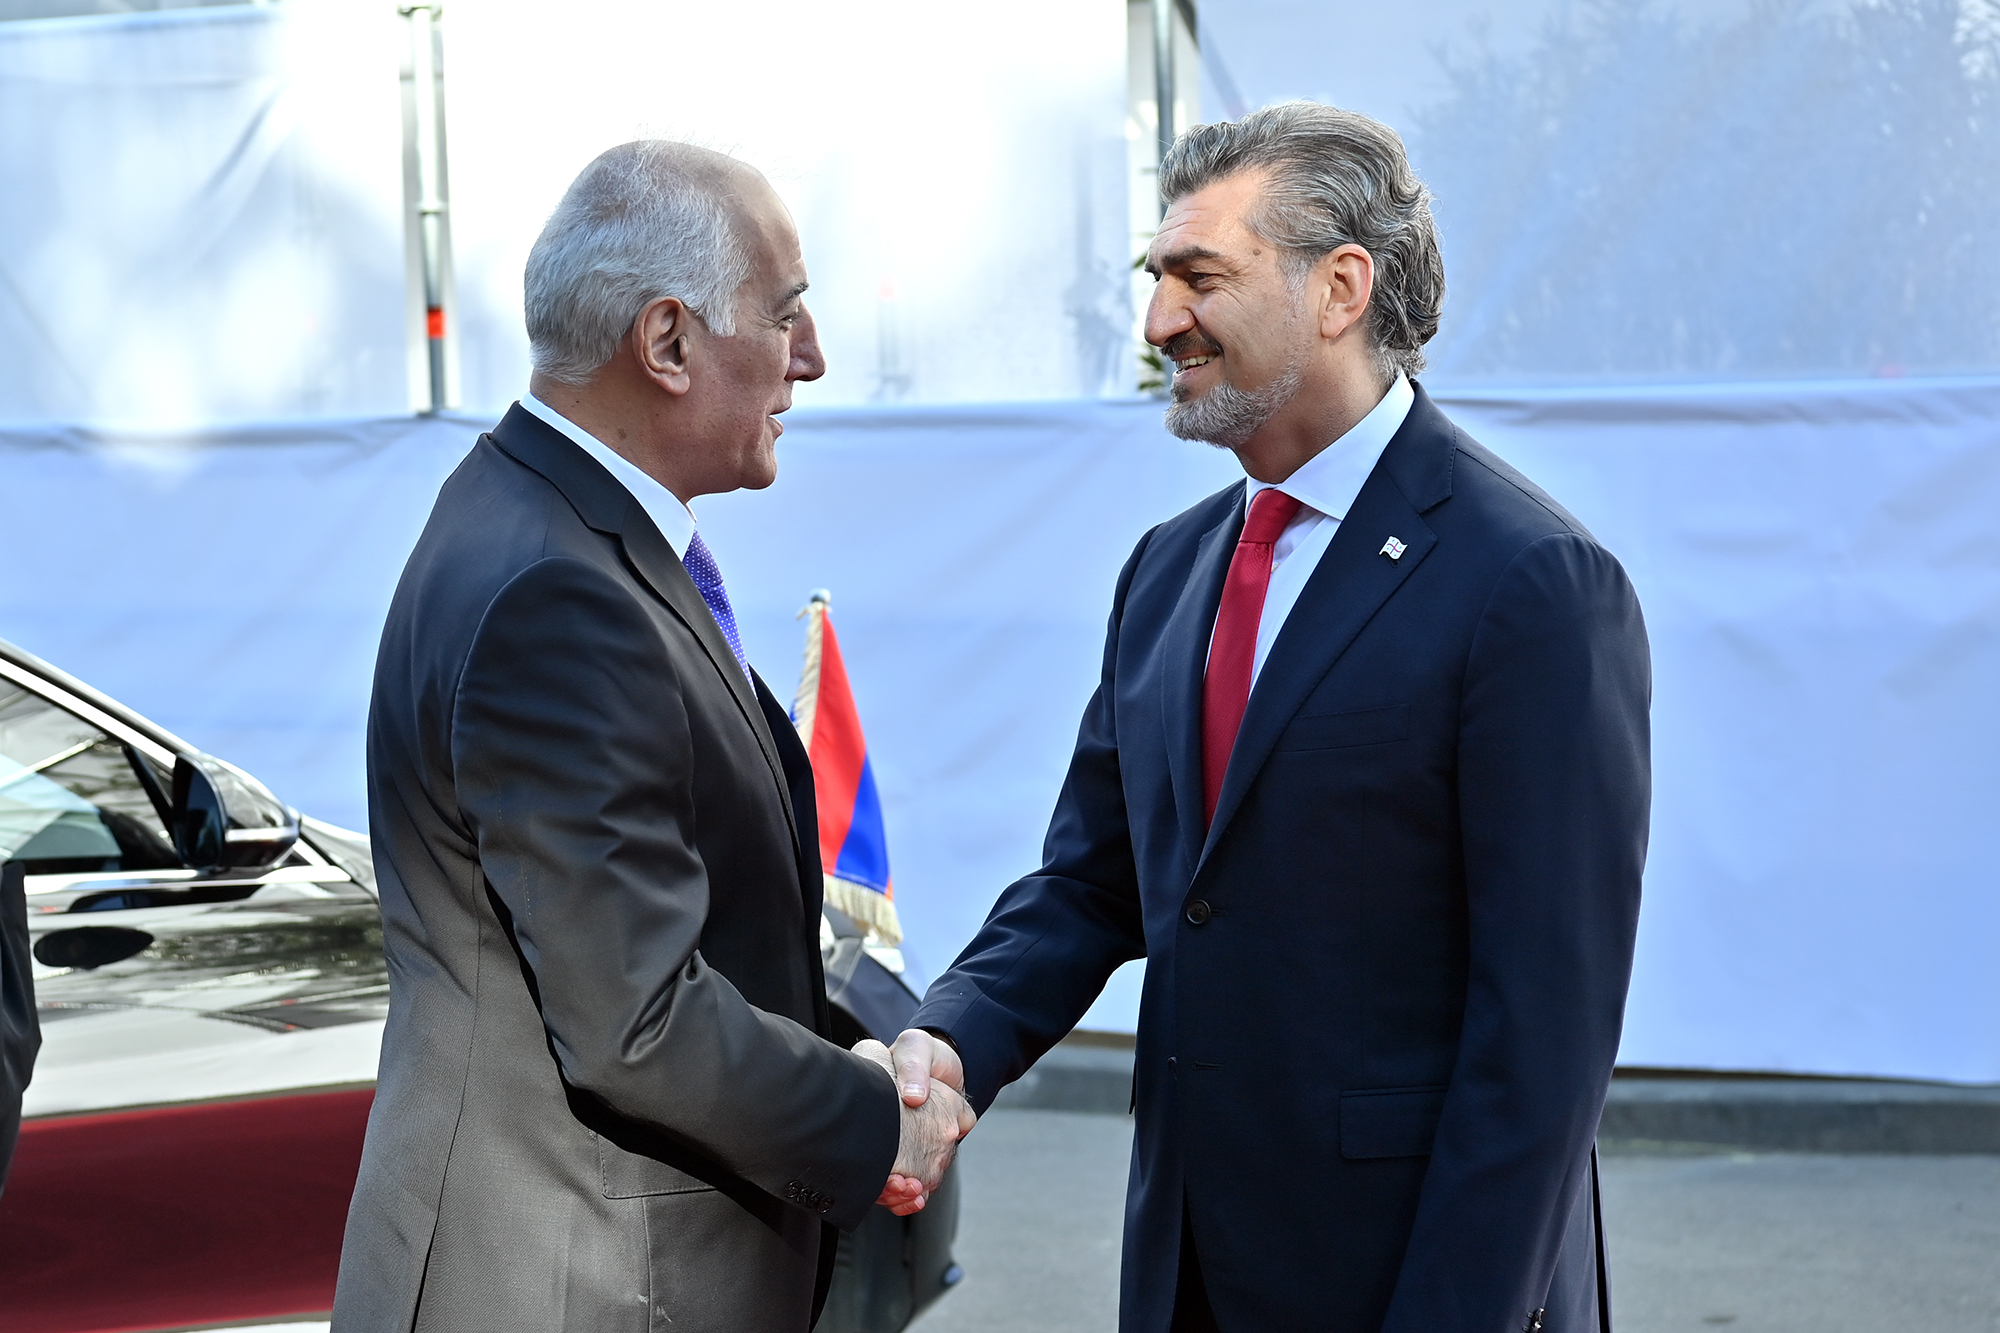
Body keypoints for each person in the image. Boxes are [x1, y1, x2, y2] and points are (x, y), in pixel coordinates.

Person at [889, 102, 1650, 1332]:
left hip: (1414, 1285)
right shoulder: (1166, 570)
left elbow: (1542, 1036)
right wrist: (946, 1040)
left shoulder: (1529, 581)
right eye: (1155, 279)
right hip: (1187, 1273)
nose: (1158, 321)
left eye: (1199, 278)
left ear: (1339, 287)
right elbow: (1091, 881)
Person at [333, 141, 971, 1333]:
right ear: (667, 341)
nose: (811, 357)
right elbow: (636, 1020)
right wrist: (871, 1117)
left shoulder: (534, 518)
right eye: (783, 316)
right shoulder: (556, 591)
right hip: (578, 1286)